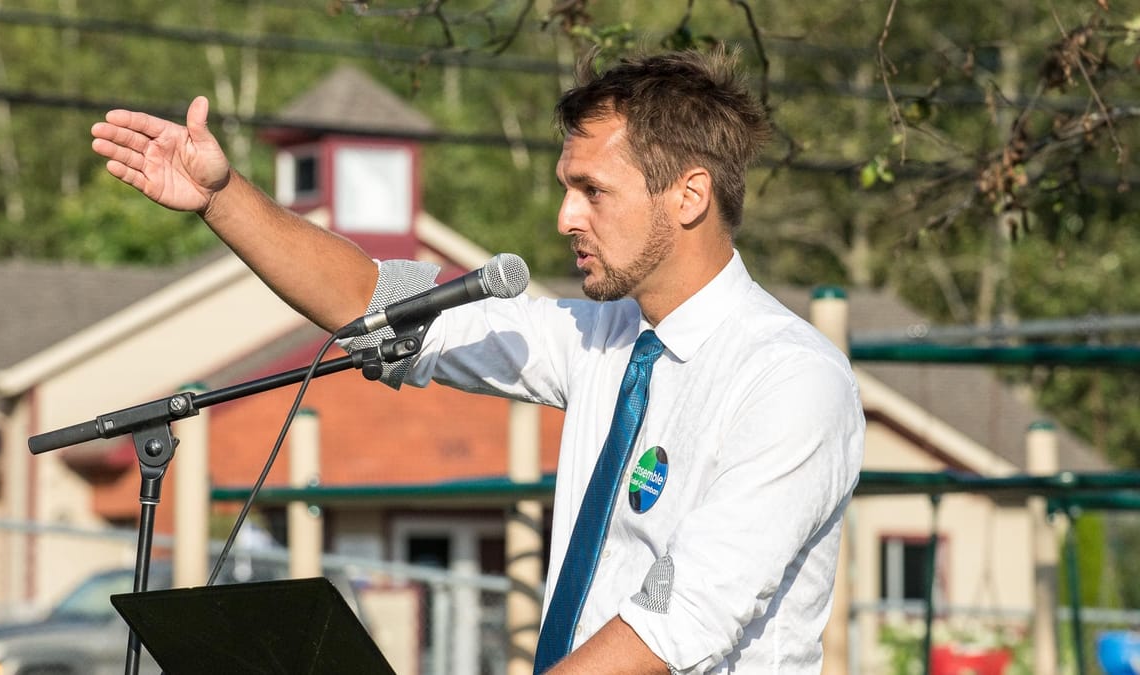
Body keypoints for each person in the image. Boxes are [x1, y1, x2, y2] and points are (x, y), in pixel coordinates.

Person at [91, 47, 864, 675]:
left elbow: (678, 620)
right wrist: (223, 198)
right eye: (567, 188)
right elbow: (376, 304)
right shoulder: (600, 335)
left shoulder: (791, 380)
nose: (566, 217)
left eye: (593, 190)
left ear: (689, 195)